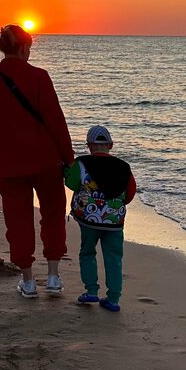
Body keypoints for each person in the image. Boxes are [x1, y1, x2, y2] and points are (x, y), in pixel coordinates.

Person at [0, 23, 74, 298]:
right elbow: (56, 120)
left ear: (3, 48)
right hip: (46, 162)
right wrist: (68, 157)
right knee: (52, 215)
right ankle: (53, 277)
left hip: (9, 164)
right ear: (25, 47)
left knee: (18, 220)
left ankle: (27, 281)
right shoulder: (40, 77)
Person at [64, 124, 136, 311]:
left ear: (89, 145)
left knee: (87, 252)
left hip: (89, 220)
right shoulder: (124, 167)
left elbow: (71, 184)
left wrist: (67, 170)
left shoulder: (82, 163)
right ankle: (113, 299)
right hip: (115, 222)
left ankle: (92, 291)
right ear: (111, 145)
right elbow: (130, 193)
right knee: (114, 258)